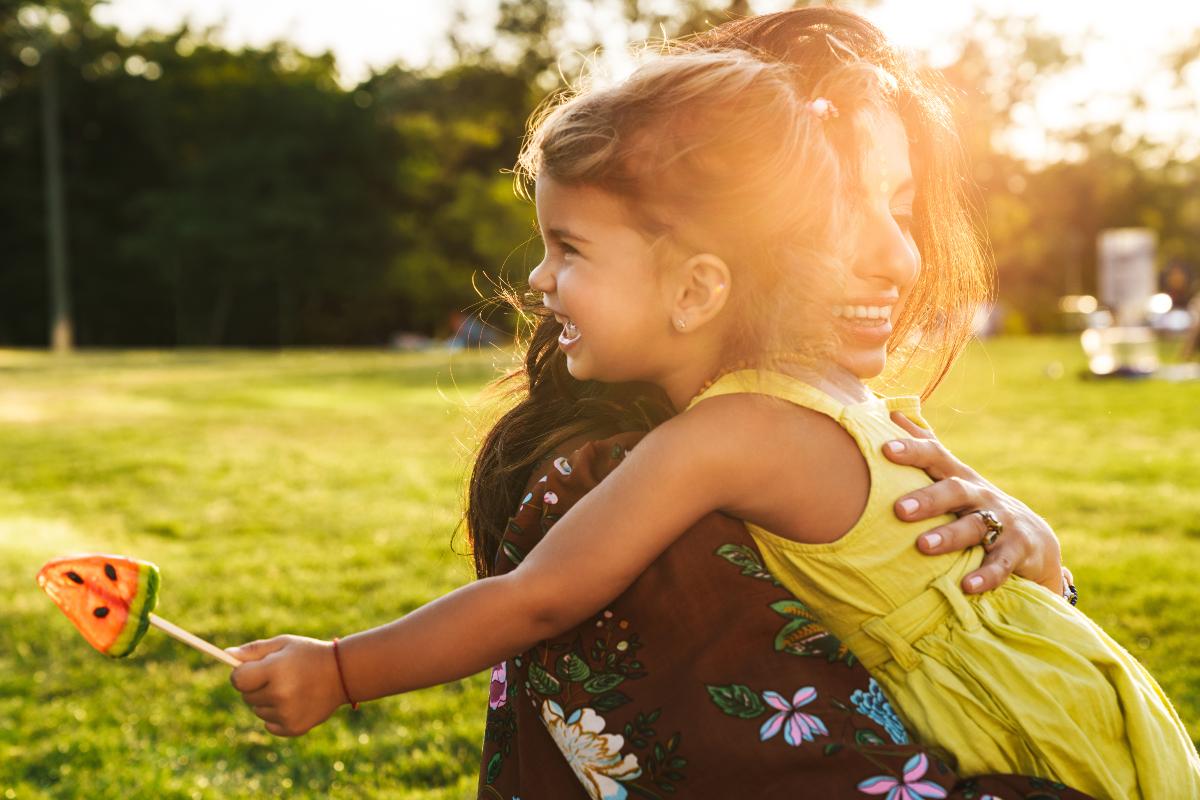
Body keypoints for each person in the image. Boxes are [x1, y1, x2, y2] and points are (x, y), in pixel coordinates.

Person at [227, 20, 1197, 800]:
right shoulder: (747, 432)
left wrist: (341, 670)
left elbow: (539, 597)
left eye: (895, 202)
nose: (894, 254)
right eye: (837, 202)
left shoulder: (730, 433)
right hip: (1082, 719)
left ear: (698, 282)